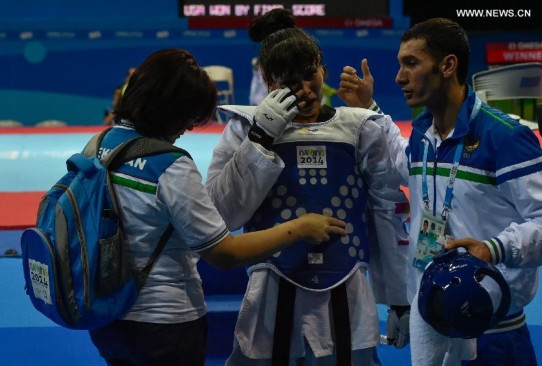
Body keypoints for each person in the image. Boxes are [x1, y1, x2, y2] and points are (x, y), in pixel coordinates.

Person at [87, 48, 348, 366]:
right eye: (189, 117)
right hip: (163, 323)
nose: (188, 128)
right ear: (171, 109)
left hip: (106, 316)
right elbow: (225, 253)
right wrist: (299, 227)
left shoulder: (99, 145)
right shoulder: (169, 166)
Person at [339, 17, 542, 365]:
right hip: (434, 326)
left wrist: (493, 249)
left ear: (448, 65)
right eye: (399, 64)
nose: (399, 77)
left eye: (411, 63)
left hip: (494, 336)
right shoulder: (424, 135)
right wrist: (369, 109)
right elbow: (398, 159)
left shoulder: (506, 138)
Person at [205, 10, 411, 365]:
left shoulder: (360, 128)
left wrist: (398, 296)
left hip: (347, 288)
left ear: (323, 71)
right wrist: (260, 138)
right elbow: (220, 215)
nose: (304, 90)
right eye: (290, 82)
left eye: (310, 76)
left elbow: (386, 210)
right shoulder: (243, 128)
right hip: (271, 290)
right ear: (268, 81)